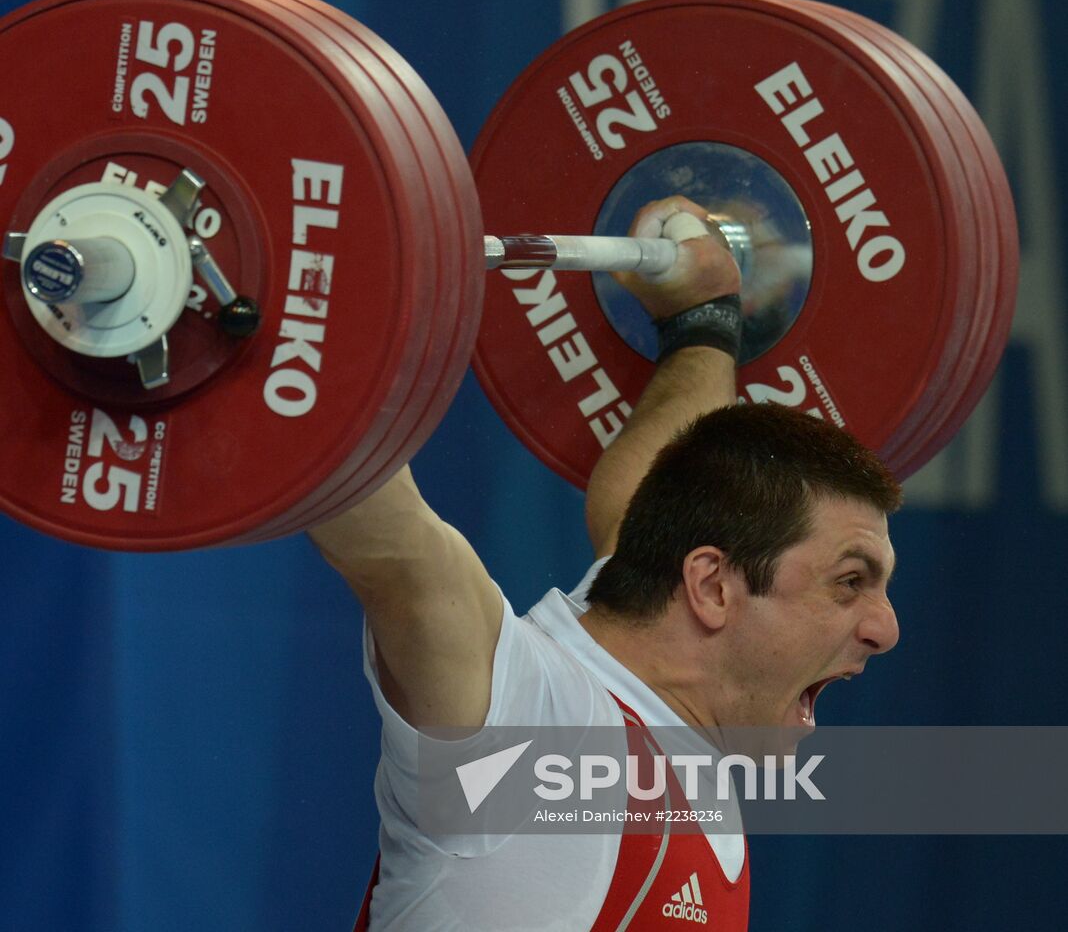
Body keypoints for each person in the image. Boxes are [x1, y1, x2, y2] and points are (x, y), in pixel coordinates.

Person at [309, 197, 902, 930]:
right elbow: (399, 556)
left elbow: (646, 499)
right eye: (850, 583)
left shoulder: (673, 697)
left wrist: (704, 324)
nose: (885, 628)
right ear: (714, 589)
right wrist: (296, 323)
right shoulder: (533, 723)